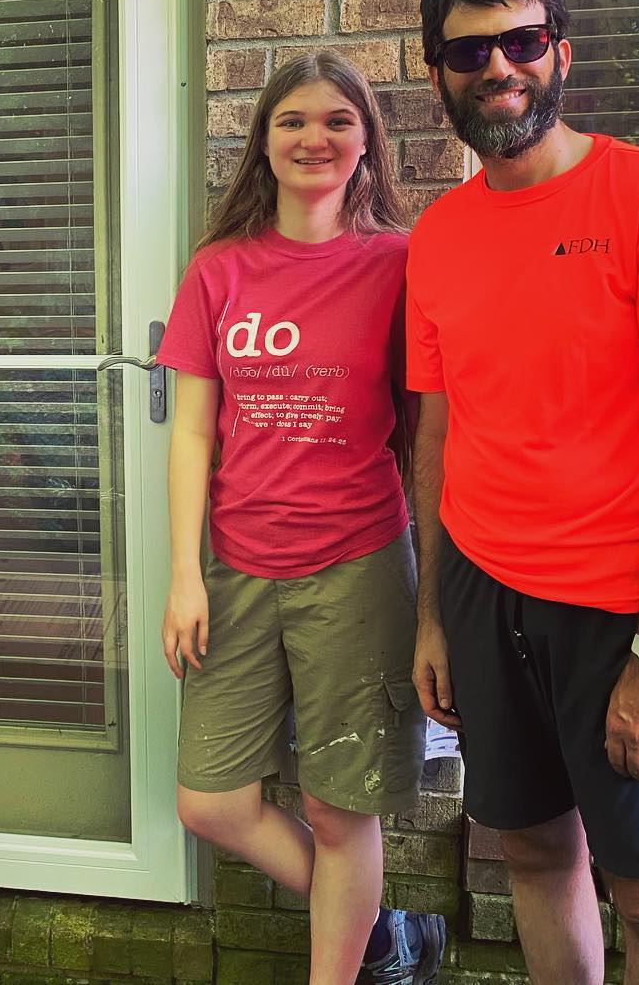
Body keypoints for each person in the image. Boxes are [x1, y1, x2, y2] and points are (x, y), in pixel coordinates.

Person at [406, 0, 639, 985]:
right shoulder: (437, 235)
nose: (498, 68)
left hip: (626, 611)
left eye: (522, 40)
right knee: (532, 851)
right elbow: (437, 430)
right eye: (470, 51)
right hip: (482, 590)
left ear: (561, 49)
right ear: (437, 73)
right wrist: (434, 610)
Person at [157, 52, 446, 985]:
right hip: (236, 570)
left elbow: (428, 428)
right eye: (292, 121)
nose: (314, 138)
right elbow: (194, 431)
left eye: (337, 122)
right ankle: (382, 927)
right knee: (210, 800)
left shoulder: (401, 266)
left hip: (359, 566)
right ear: (264, 142)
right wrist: (185, 574)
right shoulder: (218, 271)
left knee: (339, 811)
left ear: (366, 144)